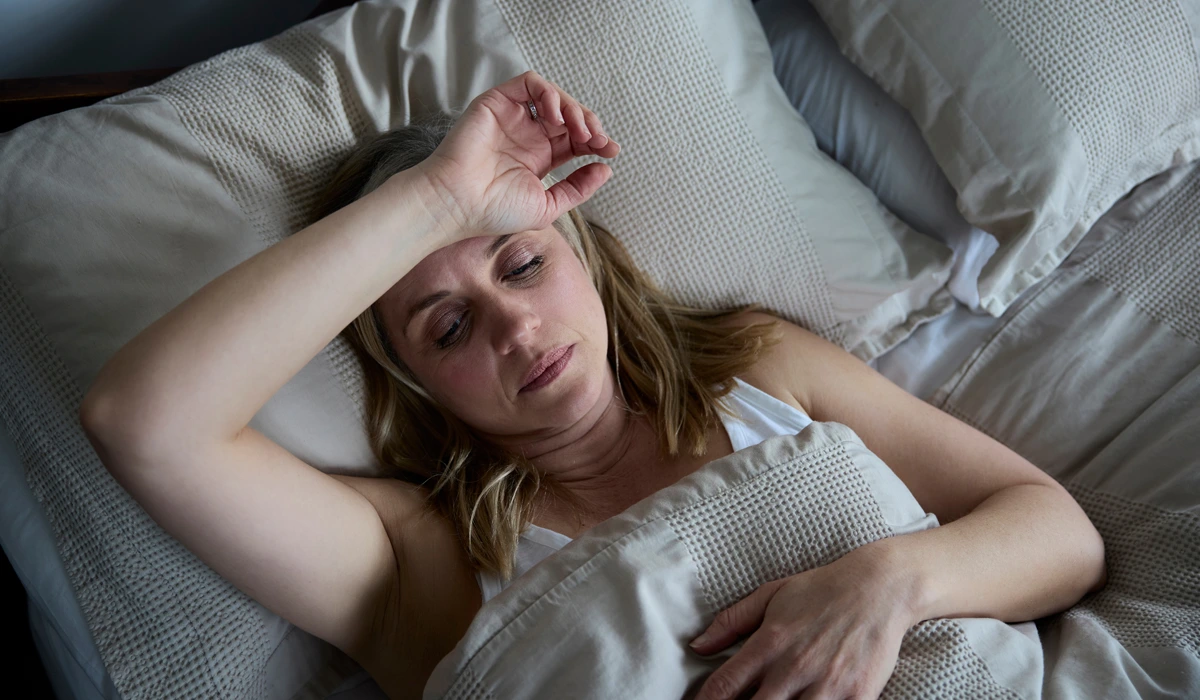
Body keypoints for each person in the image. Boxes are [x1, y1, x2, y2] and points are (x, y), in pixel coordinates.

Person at [79, 72, 1106, 700]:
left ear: (586, 255)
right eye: (448, 326)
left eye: (523, 264)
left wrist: (888, 583)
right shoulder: (415, 561)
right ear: (417, 384)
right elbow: (143, 423)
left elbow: (1057, 532)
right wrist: (436, 201)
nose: (515, 327)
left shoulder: (755, 365)